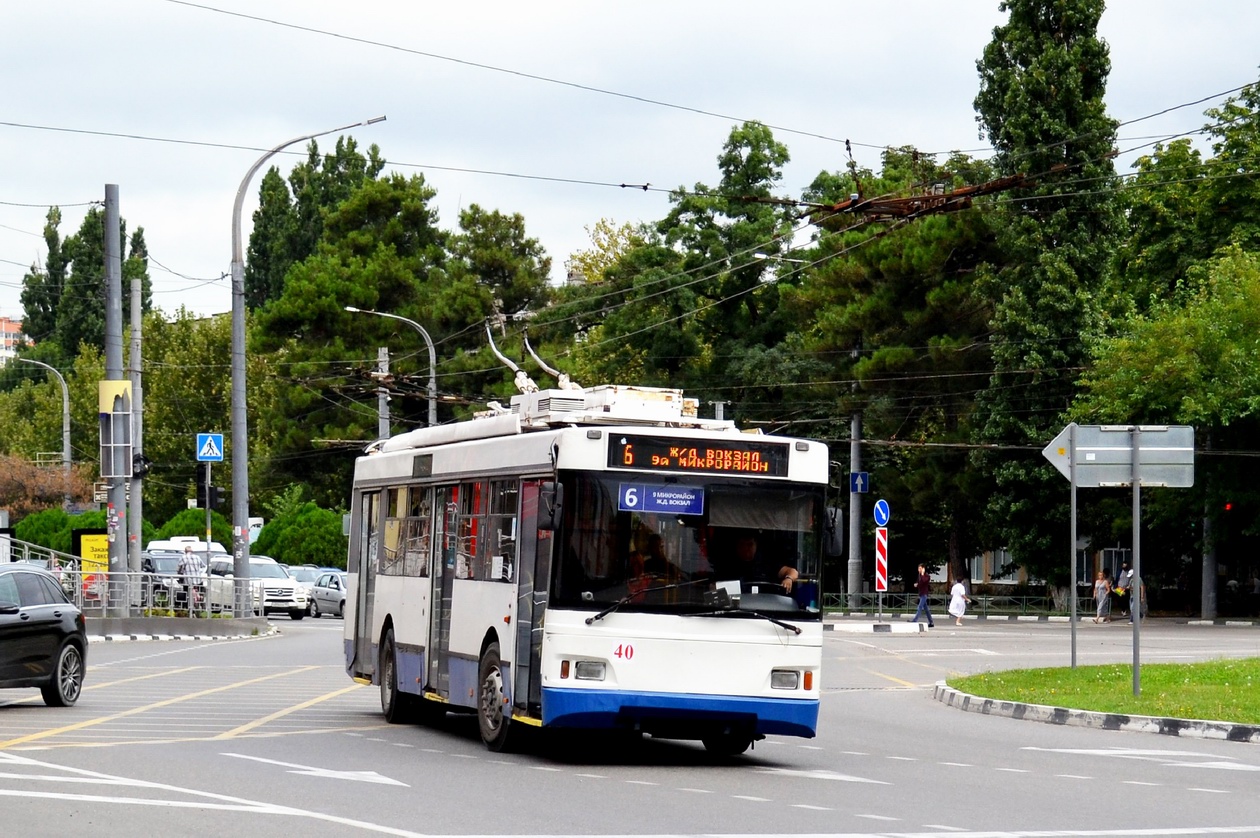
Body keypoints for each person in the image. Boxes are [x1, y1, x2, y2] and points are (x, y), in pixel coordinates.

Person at [731, 532, 798, 593]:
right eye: (742, 545)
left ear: (756, 545)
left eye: (750, 545)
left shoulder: (767, 563)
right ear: (737, 546)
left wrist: (789, 579)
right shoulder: (730, 565)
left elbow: (793, 572)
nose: (746, 548)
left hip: (767, 604)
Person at [178, 546, 207, 614]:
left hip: (188, 580)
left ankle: (187, 607)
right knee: (199, 591)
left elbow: (179, 568)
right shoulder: (197, 557)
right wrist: (199, 572)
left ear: (185, 552)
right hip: (198, 580)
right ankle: (201, 603)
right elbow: (203, 566)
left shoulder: (183, 557)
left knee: (186, 593)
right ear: (192, 551)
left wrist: (180, 573)